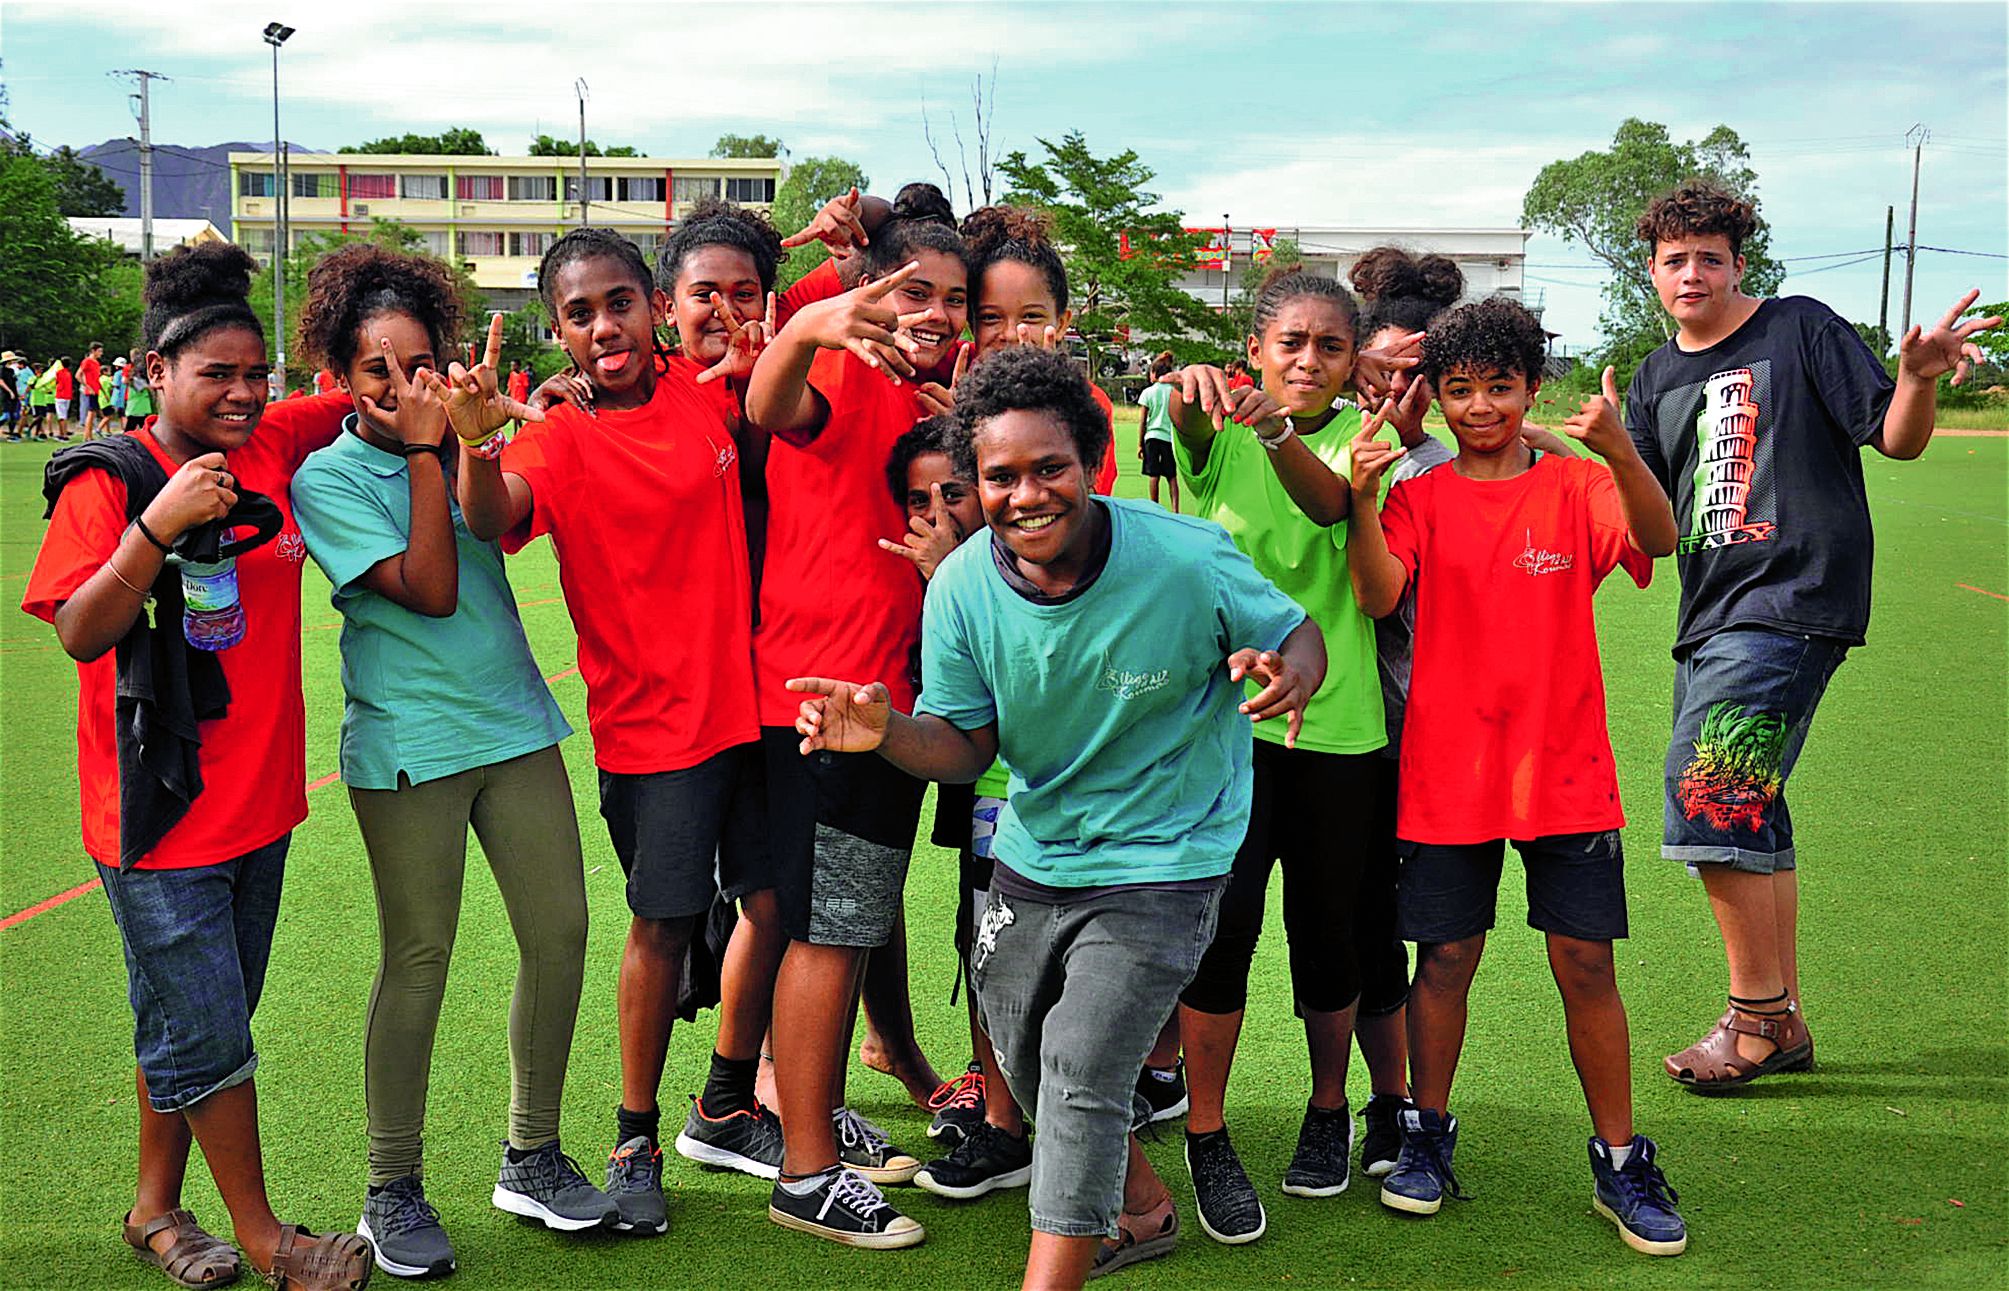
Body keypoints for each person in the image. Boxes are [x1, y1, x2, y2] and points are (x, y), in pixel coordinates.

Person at [789, 344, 1327, 1288]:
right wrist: (885, 733)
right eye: (1000, 476)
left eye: (1050, 469)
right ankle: (1143, 1207)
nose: (1026, 495)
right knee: (1023, 1050)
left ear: (1089, 461)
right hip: (1037, 847)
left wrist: (1291, 673)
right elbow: (965, 746)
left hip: (1168, 852)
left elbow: (1293, 629)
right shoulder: (961, 585)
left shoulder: (1182, 555)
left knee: (1079, 1068)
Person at [22, 242, 373, 1290]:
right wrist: (156, 526)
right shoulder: (108, 478)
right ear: (155, 371)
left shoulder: (273, 439)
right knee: (209, 1030)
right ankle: (269, 1240)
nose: (242, 393)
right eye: (216, 373)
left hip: (260, 803)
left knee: (188, 1021)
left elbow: (374, 379)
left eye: (256, 372)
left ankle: (154, 1210)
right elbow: (81, 630)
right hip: (159, 814)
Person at [1622, 182, 2001, 1091]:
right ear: (1652, 272)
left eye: (1709, 257)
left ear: (1736, 264)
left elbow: (1895, 438)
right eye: (1674, 259)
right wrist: (1592, 448)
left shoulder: (1797, 326)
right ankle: (1780, 1020)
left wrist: (1916, 378)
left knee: (1708, 788)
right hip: (1707, 615)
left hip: (1790, 599)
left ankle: (1752, 1018)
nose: (1691, 273)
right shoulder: (1651, 378)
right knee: (1748, 803)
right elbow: (1651, 525)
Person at [289, 245, 615, 1279]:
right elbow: (430, 588)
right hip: (408, 745)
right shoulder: (326, 478)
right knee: (419, 957)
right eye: (375, 369)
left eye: (417, 363)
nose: (400, 385)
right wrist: (432, 449)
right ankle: (391, 1184)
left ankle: (532, 1155)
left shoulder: (461, 438)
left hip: (512, 723)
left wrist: (475, 442)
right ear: (340, 376)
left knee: (560, 932)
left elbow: (492, 520)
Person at [456, 226, 785, 1239]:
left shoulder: (702, 388)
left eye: (619, 303)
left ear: (653, 307)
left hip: (753, 706)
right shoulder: (555, 433)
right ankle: (633, 1136)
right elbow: (492, 515)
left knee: (775, 904)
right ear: (558, 333)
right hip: (653, 728)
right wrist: (472, 442)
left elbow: (777, 295)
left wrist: (832, 235)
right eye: (579, 313)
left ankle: (725, 1102)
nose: (604, 326)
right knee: (663, 925)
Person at [1345, 295, 1687, 1257]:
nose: (1480, 406)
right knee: (1444, 959)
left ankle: (1619, 1160)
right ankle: (1425, 1134)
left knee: (1585, 962)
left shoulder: (1575, 487)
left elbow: (1658, 539)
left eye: (1499, 386)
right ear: (1436, 397)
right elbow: (1376, 593)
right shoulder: (1417, 496)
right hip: (1447, 772)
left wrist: (1617, 451)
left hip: (1565, 769)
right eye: (1459, 389)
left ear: (1532, 387)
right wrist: (1362, 498)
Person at [741, 182, 969, 1248]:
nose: (936, 313)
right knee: (828, 933)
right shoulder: (843, 370)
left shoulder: (923, 401)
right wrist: (806, 326)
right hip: (827, 704)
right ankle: (805, 1173)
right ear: (869, 293)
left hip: (883, 707)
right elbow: (768, 406)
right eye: (914, 292)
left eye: (953, 298)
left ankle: (811, 1118)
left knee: (845, 923)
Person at [1161, 265, 1399, 1244]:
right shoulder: (1217, 431)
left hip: (1338, 730)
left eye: (1329, 346)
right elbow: (1180, 422)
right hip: (1223, 728)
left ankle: (1328, 1107)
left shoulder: (1362, 438)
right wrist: (1186, 393)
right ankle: (1206, 1131)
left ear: (1351, 362)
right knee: (1218, 931)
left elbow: (1331, 509)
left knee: (1327, 932)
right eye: (1289, 342)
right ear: (1252, 350)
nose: (1307, 360)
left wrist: (1275, 432)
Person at [1342, 245, 1463, 1178]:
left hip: (1416, 738)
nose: (1394, 390)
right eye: (1379, 369)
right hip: (1334, 729)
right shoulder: (1319, 446)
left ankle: (1401, 1106)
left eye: (1414, 373)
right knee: (1337, 925)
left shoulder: (1443, 472)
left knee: (1403, 929)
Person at [1136, 352, 1178, 511]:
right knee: (1171, 476)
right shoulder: (1174, 392)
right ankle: (1175, 510)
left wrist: (1140, 444)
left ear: (1154, 373)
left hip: (1152, 437)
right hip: (1169, 438)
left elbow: (1143, 421)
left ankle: (1155, 508)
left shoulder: (1148, 392)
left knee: (1154, 475)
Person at [124, 348, 155, 432]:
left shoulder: (131, 367)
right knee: (138, 422)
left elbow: (124, 380)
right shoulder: (142, 367)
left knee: (136, 422)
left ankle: (128, 436)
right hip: (140, 397)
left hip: (138, 398)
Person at [80, 342, 105, 437]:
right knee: (91, 414)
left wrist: (102, 391)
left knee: (92, 414)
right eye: (99, 351)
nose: (101, 353)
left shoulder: (96, 363)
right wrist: (88, 387)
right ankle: (87, 436)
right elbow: (78, 375)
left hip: (96, 391)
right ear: (93, 351)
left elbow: (96, 378)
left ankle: (88, 436)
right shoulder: (87, 361)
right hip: (91, 391)